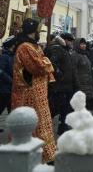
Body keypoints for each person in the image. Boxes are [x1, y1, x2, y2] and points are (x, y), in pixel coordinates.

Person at [11, 18, 56, 163]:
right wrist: (47, 61)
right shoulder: (24, 47)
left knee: (42, 123)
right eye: (38, 31)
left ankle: (46, 154)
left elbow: (43, 61)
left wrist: (45, 61)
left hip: (39, 92)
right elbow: (38, 66)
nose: (39, 33)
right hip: (28, 93)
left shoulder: (33, 46)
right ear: (32, 31)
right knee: (34, 124)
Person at [44, 32, 78, 135]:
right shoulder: (58, 49)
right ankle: (45, 127)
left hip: (66, 85)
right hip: (59, 85)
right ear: (65, 40)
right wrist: (60, 74)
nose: (71, 43)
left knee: (64, 108)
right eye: (70, 40)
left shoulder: (65, 50)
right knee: (55, 108)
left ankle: (62, 127)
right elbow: (52, 63)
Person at [71, 38, 93, 110]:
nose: (84, 46)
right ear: (77, 45)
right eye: (81, 44)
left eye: (84, 44)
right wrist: (77, 83)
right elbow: (74, 70)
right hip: (80, 82)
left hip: (87, 82)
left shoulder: (84, 54)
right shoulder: (75, 55)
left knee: (85, 101)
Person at [0, 36, 16, 127]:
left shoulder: (11, 56)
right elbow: (0, 71)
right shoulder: (4, 57)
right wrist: (11, 80)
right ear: (11, 46)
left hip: (10, 88)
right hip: (4, 88)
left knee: (12, 110)